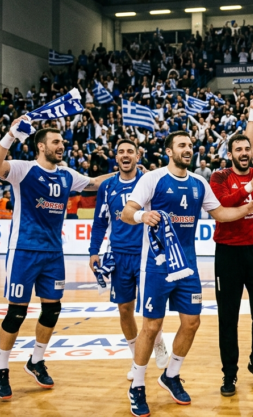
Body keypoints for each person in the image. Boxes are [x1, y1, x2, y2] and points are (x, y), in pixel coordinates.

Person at [120, 131, 253, 417]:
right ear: (169, 151)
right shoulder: (152, 179)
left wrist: (248, 208)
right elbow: (128, 211)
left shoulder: (199, 183)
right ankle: (137, 385)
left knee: (192, 323)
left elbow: (221, 214)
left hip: (187, 267)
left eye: (190, 145)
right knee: (151, 328)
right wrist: (142, 216)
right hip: (156, 266)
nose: (188, 149)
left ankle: (171, 375)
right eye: (182, 146)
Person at [0, 121, 115, 400]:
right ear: (41, 146)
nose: (62, 146)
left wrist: (124, 173)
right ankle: (1, 368)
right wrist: (10, 135)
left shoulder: (66, 174)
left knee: (52, 310)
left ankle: (36, 361)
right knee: (16, 312)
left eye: (63, 142)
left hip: (54, 253)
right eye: (56, 142)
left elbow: (93, 183)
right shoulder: (24, 169)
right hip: (24, 250)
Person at [88, 139, 170, 383]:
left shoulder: (148, 181)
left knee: (149, 310)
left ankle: (158, 343)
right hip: (119, 255)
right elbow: (100, 221)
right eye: (121, 151)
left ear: (137, 156)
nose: (125, 155)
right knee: (125, 310)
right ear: (116, 157)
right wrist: (94, 251)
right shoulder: (107, 186)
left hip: (147, 255)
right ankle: (137, 360)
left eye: (130, 152)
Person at [209, 126, 253, 395]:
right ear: (230, 153)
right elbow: (223, 204)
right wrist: (249, 189)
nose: (244, 153)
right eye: (239, 150)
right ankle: (229, 374)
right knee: (228, 317)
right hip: (228, 254)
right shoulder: (220, 176)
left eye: (247, 149)